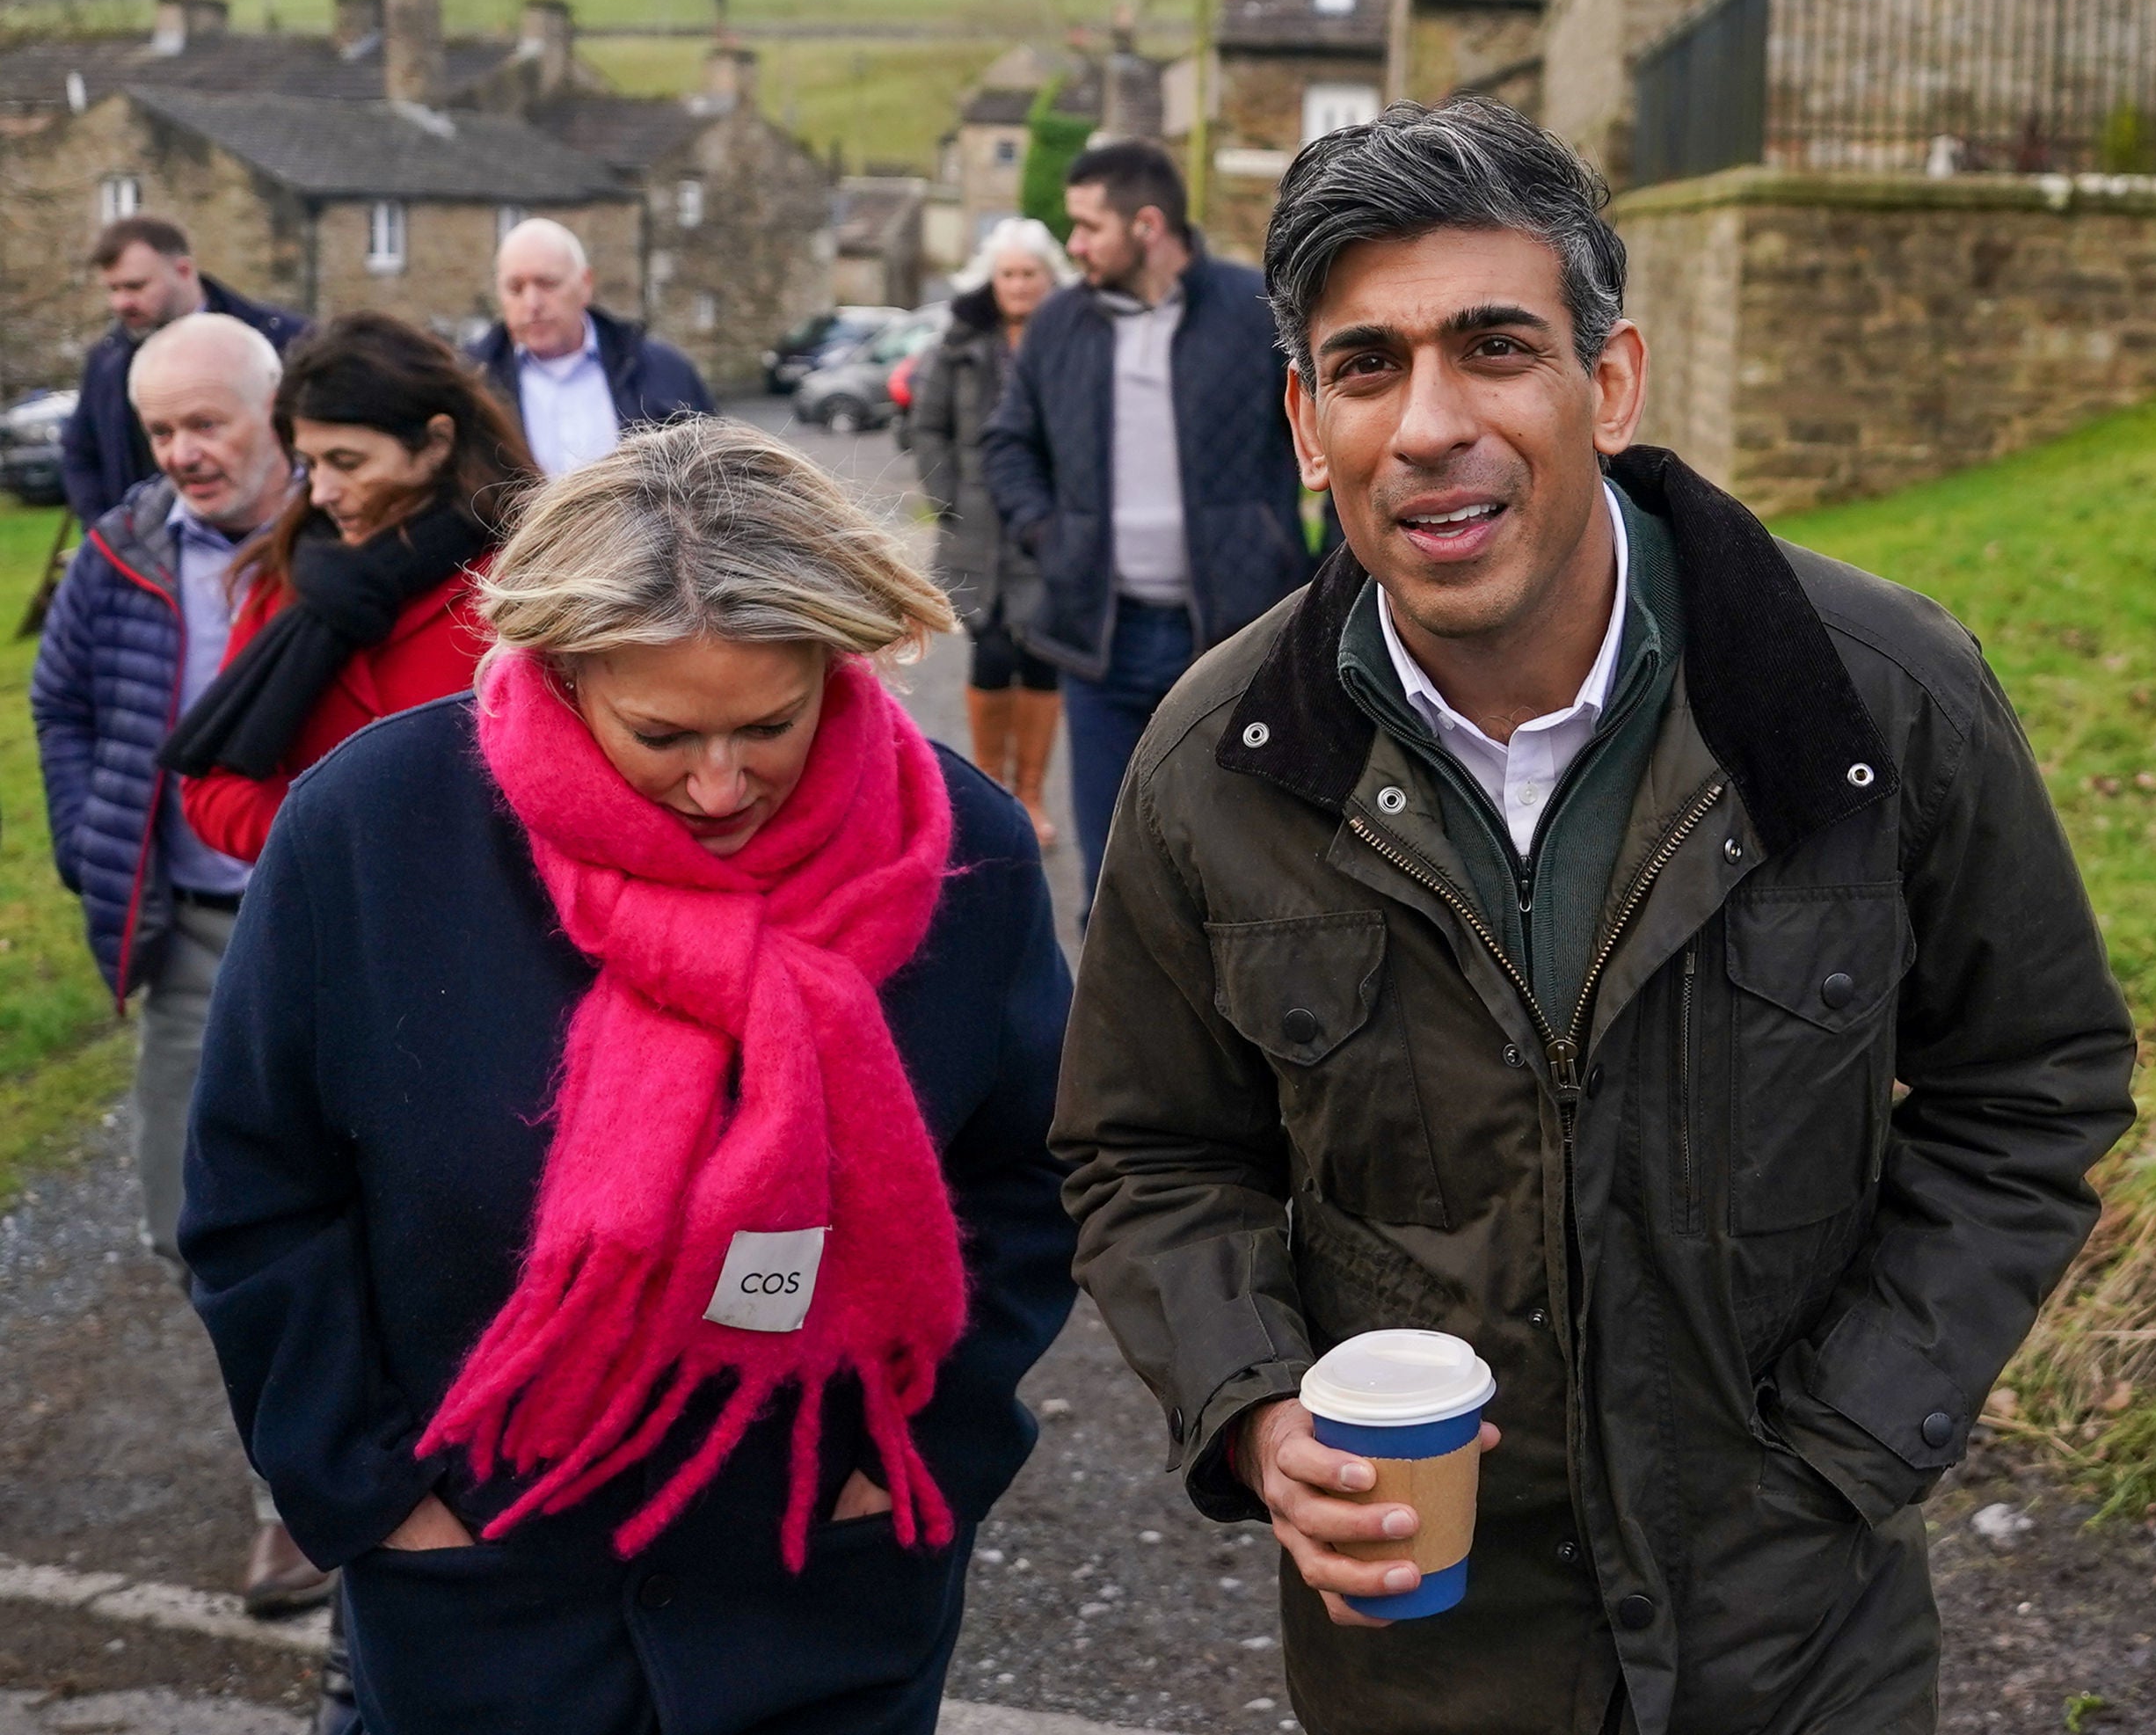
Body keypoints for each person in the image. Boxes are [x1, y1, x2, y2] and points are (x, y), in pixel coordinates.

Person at [1053, 98, 2140, 1735]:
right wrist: (1258, 1409)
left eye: (1495, 347)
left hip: (1801, 1651)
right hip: (1424, 1668)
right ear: (1302, 419)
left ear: (1608, 383)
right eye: (1367, 366)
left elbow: (2032, 1085)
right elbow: (1146, 1152)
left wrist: (1852, 1443)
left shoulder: (1877, 702)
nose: (1430, 424)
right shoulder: (1217, 765)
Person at [180, 420, 1078, 1733]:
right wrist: (376, 1501)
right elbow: (259, 1194)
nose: (722, 786)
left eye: (773, 724)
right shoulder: (370, 832)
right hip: (485, 1610)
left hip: (817, 1607)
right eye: (662, 736)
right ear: (560, 670)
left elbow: (1035, 1180)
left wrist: (929, 1455)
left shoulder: (965, 851)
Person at [30, 313, 324, 1618]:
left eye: (210, 424)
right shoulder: (121, 553)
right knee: (186, 1223)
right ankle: (299, 1465)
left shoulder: (351, 540)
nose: (185, 454)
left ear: (277, 418)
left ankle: (304, 1505)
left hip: (338, 937)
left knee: (366, 1210)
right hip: (201, 940)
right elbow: (64, 702)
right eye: (161, 432)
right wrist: (97, 851)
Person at [980, 138, 1315, 900]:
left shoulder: (1255, 310)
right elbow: (1008, 442)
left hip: (1239, 640)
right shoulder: (1060, 323)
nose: (1074, 245)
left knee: (1246, 865)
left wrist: (1315, 564)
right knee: (1114, 878)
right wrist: (1045, 532)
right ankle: (1114, 1023)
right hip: (1102, 644)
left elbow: (1331, 431)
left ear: (1148, 226)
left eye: (1089, 226)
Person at [163, 311, 533, 863]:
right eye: (310, 464)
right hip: (332, 930)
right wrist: (346, 839)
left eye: (347, 463)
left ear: (435, 443)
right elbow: (212, 790)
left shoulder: (528, 582)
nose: (321, 493)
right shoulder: (288, 576)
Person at [913, 216, 1072, 848]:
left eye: (1030, 273)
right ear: (992, 277)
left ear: (1048, 278)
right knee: (991, 652)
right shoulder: (960, 339)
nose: (1019, 284)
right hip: (975, 528)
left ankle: (1030, 796)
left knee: (1040, 657)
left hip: (1046, 525)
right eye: (1008, 273)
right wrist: (948, 496)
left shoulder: (1073, 336)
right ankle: (992, 793)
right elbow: (926, 427)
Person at [62, 215, 306, 527]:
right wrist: (109, 531)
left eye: (136, 286)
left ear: (184, 270)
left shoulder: (285, 342)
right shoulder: (107, 360)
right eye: (113, 289)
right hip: (148, 558)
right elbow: (80, 453)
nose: (122, 302)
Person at [467, 217, 717, 477]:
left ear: (585, 284)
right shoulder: (471, 384)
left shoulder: (663, 371)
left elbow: (718, 476)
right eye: (515, 288)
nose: (532, 303)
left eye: (548, 284)